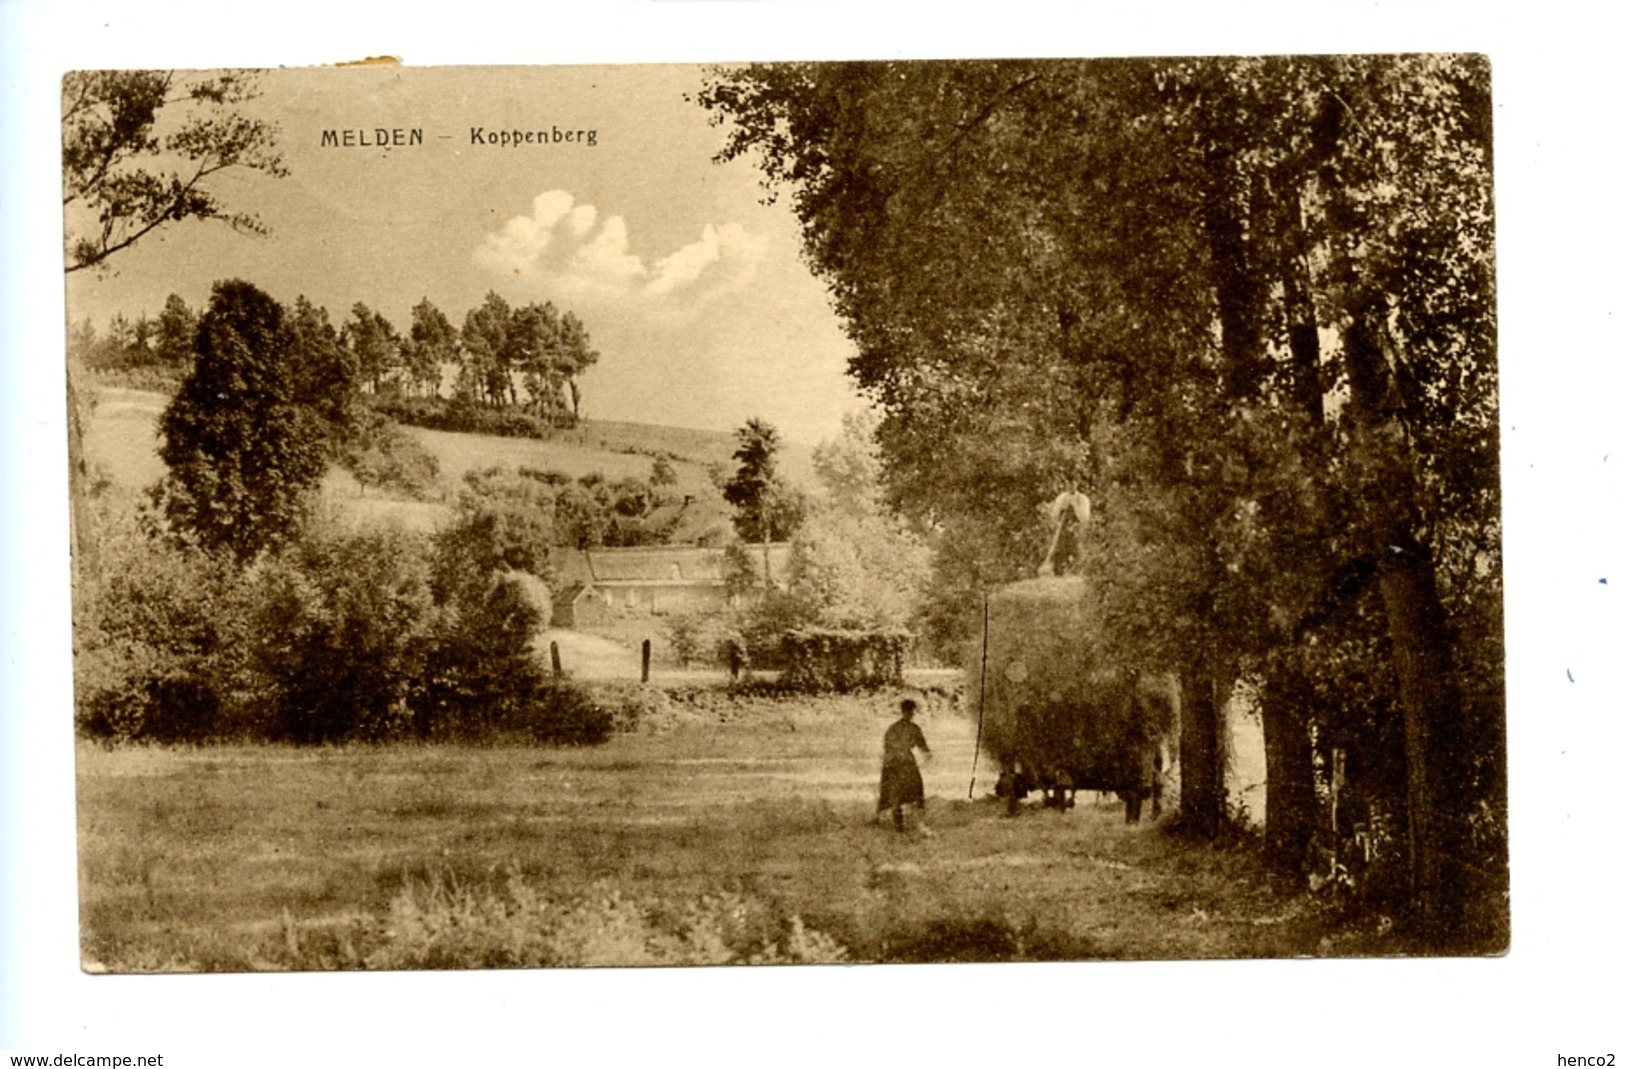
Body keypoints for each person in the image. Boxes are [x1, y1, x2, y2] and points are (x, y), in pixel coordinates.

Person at [876, 698, 930, 831]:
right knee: (914, 790)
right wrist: (927, 756)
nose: (910, 714)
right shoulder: (914, 728)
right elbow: (924, 748)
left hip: (892, 762)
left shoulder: (893, 728)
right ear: (912, 712)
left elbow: (886, 747)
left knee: (894, 792)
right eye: (911, 711)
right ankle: (911, 822)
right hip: (905, 762)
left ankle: (898, 823)